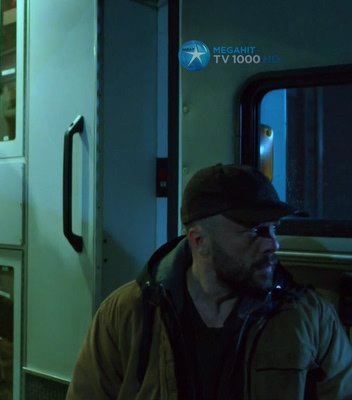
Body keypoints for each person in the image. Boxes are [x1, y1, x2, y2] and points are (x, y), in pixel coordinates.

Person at [66, 164, 352, 399]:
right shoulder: (126, 314)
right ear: (199, 240)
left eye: (274, 228)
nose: (273, 244)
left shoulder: (310, 318)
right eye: (255, 231)